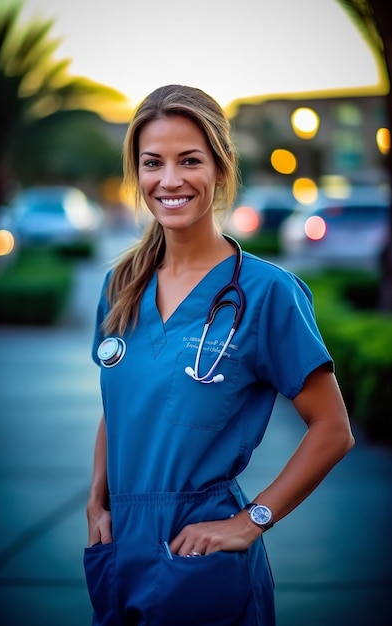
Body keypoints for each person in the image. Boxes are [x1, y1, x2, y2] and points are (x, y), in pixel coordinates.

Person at [84, 84, 354, 626]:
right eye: (152, 163)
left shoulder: (266, 293)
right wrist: (97, 501)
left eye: (189, 161)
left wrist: (251, 520)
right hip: (120, 544)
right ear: (136, 174)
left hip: (200, 551)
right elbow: (118, 405)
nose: (170, 180)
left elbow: (333, 429)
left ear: (220, 168)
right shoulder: (123, 285)